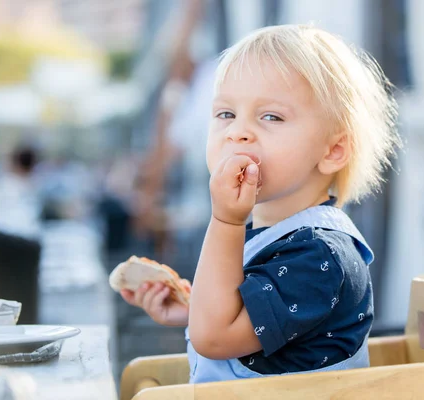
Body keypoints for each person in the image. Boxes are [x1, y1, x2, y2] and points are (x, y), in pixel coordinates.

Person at [120, 24, 400, 383]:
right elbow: (247, 322)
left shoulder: (320, 256)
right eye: (225, 114)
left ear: (332, 151)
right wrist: (194, 309)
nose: (238, 132)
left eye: (271, 117)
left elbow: (214, 337)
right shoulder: (271, 237)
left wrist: (225, 221)